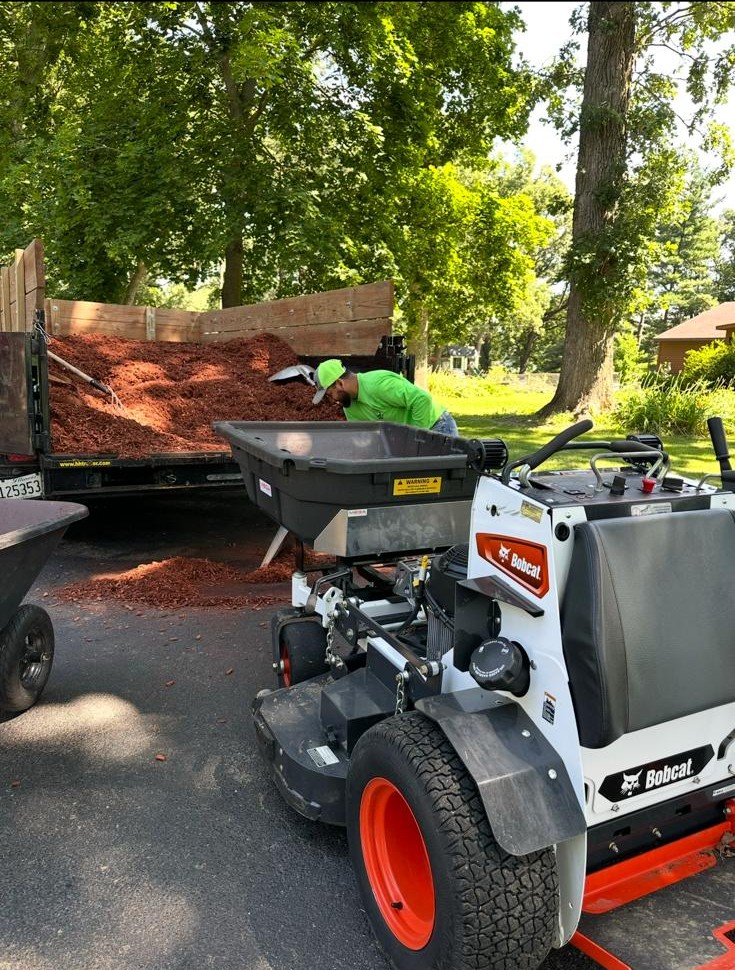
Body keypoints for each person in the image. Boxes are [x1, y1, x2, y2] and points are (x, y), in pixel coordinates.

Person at [312, 358, 459, 435]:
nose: (331, 400)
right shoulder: (349, 406)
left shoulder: (378, 384)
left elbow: (422, 400)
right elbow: (365, 437)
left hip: (437, 426)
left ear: (339, 383)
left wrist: (415, 439)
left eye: (330, 394)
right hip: (407, 438)